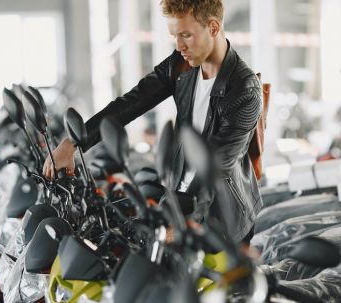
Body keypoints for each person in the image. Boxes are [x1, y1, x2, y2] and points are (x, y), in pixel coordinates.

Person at [43, 0, 262, 244]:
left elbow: (215, 172)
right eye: (174, 36)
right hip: (179, 197)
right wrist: (72, 143)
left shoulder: (244, 90)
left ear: (213, 27)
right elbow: (131, 103)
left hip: (220, 219)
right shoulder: (182, 66)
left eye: (186, 35)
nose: (179, 46)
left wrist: (184, 227)